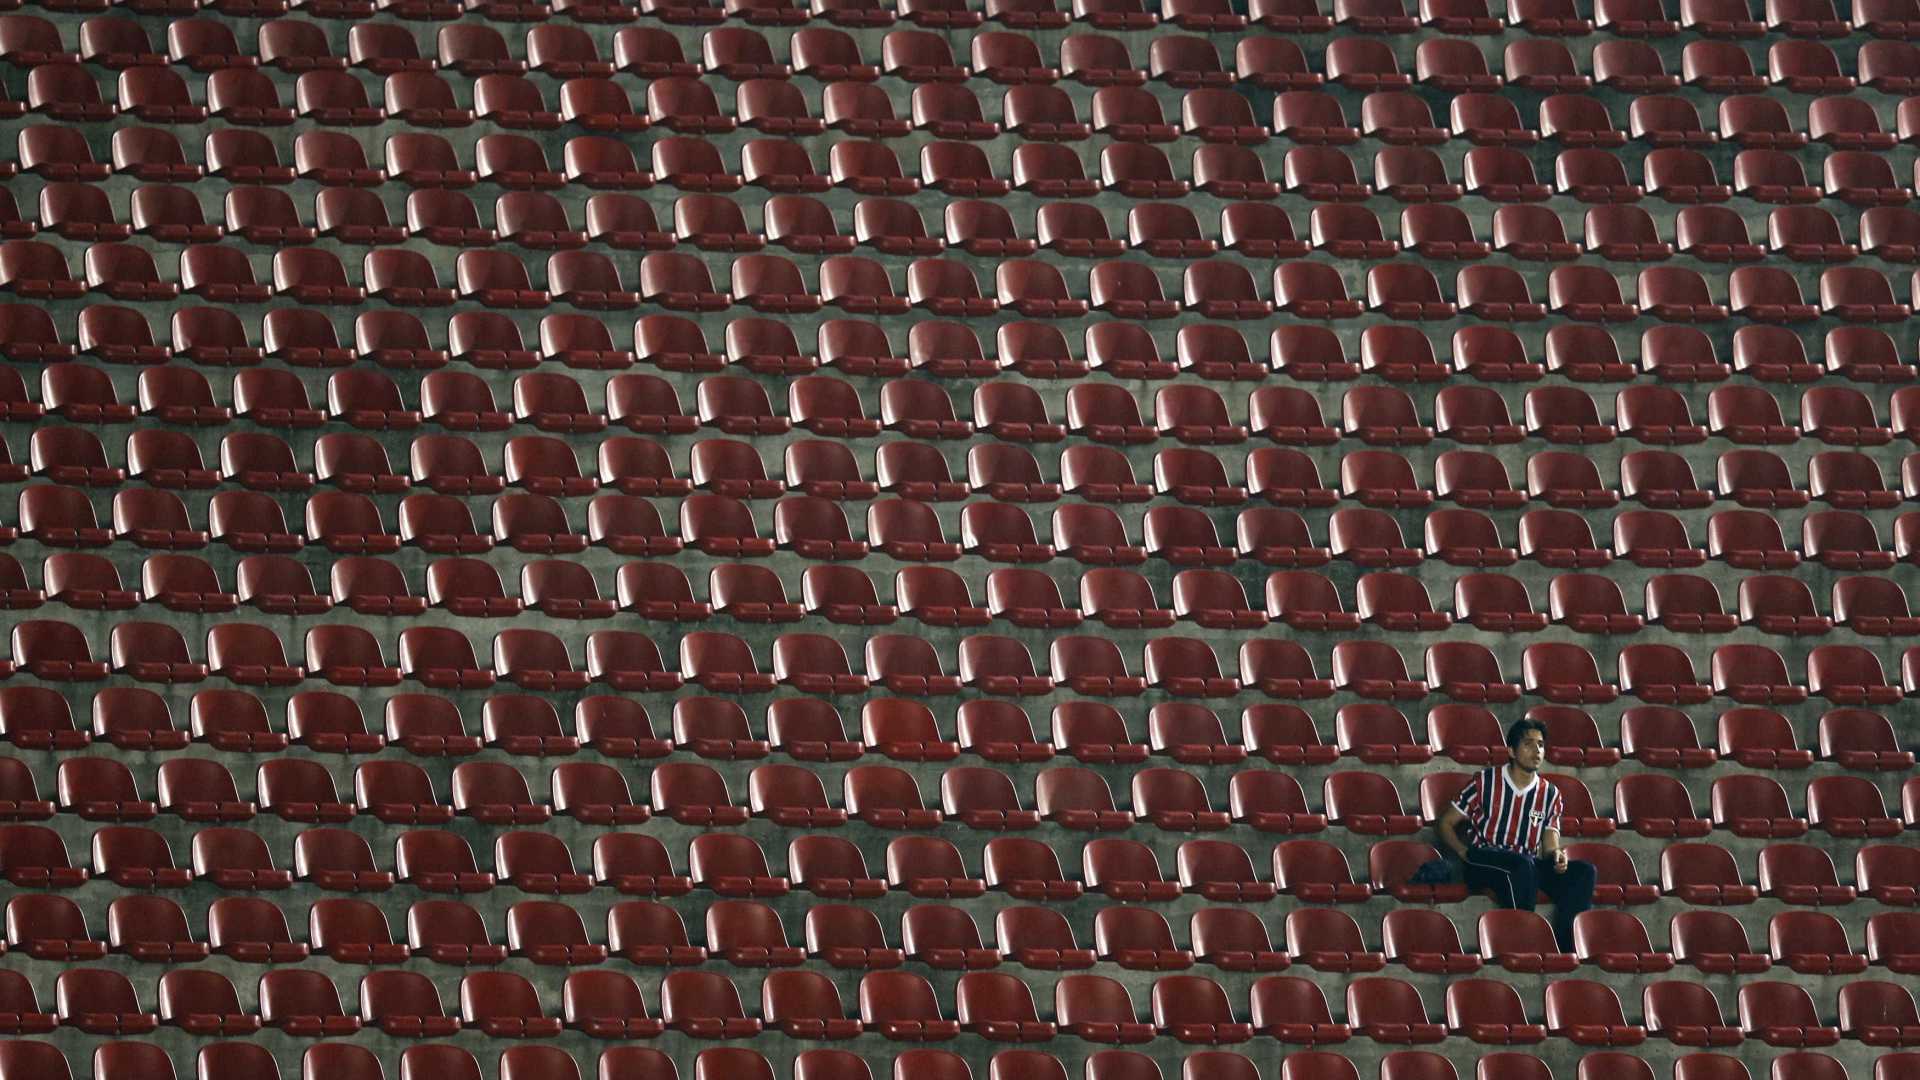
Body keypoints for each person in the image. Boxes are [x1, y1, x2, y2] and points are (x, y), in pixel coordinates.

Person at [1435, 716, 1596, 952]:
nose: (1537, 751)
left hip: (1525, 863)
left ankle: (1566, 948)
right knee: (1522, 865)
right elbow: (1445, 823)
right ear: (1511, 750)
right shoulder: (1485, 781)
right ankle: (1523, 946)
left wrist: (1558, 856)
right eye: (1529, 744)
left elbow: (1550, 845)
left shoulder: (1549, 793)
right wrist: (1462, 852)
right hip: (1484, 858)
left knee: (1584, 872)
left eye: (1540, 745)